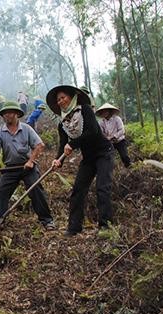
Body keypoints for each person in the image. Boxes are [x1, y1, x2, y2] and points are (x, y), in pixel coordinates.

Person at [47, 85, 114, 236]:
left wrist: (73, 144)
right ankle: (74, 228)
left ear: (71, 97)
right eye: (58, 100)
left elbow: (93, 131)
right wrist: (57, 160)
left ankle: (106, 227)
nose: (60, 101)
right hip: (88, 158)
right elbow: (63, 144)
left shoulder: (85, 110)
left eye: (63, 97)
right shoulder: (62, 123)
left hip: (104, 153)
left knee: (102, 188)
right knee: (78, 190)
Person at [0, 101, 55, 229]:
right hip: (10, 168)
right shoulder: (0, 133)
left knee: (36, 190)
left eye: (10, 113)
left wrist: (30, 161)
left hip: (27, 167)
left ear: (17, 114)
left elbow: (39, 145)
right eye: (5, 113)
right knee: (1, 192)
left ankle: (47, 220)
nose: (7, 115)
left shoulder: (27, 129)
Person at [96, 103, 131, 168]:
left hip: (120, 141)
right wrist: (106, 138)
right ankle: (110, 170)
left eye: (105, 111)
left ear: (109, 111)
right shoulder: (101, 122)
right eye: (102, 112)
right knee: (108, 157)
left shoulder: (117, 119)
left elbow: (122, 130)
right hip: (109, 142)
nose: (103, 113)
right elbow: (101, 133)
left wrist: (114, 136)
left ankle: (129, 168)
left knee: (124, 156)